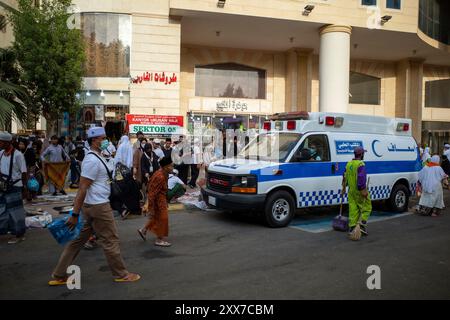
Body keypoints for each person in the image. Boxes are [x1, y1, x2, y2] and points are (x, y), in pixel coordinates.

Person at [48, 127, 140, 285]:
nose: (106, 141)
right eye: (103, 139)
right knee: (110, 240)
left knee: (77, 241)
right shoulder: (91, 160)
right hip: (98, 207)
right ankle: (121, 274)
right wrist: (74, 214)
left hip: (92, 206)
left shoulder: (98, 156)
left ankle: (59, 274)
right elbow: (83, 187)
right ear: (94, 140)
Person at [138, 156, 173, 247]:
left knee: (156, 218)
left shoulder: (165, 173)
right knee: (163, 219)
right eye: (171, 166)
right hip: (157, 201)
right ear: (165, 167)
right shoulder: (160, 176)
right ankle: (159, 240)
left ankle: (143, 230)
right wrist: (150, 207)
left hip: (161, 199)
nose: (172, 168)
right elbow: (152, 193)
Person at [0, 132, 28, 244]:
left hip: (15, 186)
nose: (0, 144)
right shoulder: (1, 153)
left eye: (1, 142)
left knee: (16, 212)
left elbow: (24, 172)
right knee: (2, 210)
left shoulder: (18, 155)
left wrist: (25, 188)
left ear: (8, 142)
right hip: (3, 186)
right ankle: (6, 231)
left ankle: (19, 234)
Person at [343, 147, 371, 238]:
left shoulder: (348, 164)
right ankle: (361, 226)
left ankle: (352, 228)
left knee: (353, 209)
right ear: (361, 154)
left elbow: (344, 177)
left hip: (351, 191)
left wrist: (343, 187)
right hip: (359, 191)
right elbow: (361, 178)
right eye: (363, 154)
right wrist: (363, 190)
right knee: (366, 207)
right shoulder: (360, 164)